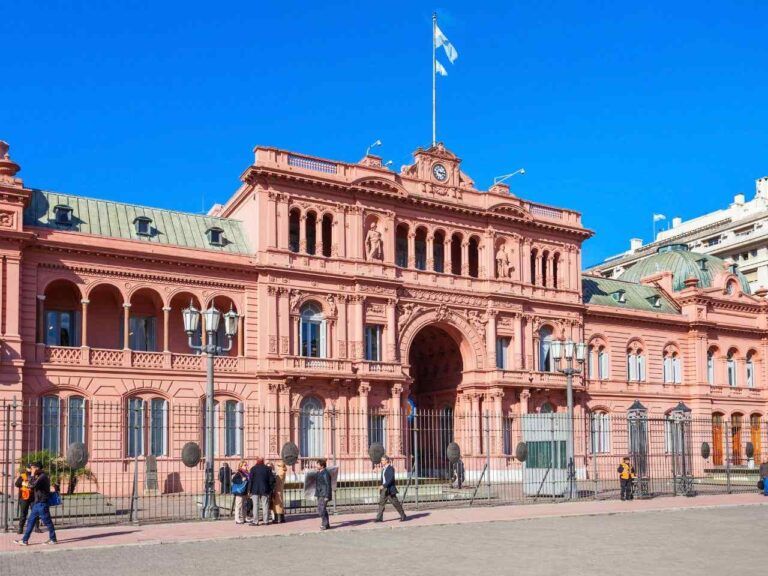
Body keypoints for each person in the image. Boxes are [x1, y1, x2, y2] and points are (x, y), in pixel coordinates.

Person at [15, 461, 57, 546]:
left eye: (33, 468)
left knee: (48, 522)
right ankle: (24, 540)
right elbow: (31, 484)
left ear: (37, 468)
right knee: (30, 521)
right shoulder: (39, 476)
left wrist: (33, 475)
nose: (31, 469)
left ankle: (53, 539)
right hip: (37, 504)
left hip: (42, 503)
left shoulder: (42, 477)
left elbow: (32, 485)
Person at [375, 455, 406, 522]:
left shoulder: (390, 468)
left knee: (395, 503)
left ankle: (403, 515)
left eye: (383, 460)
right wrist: (382, 486)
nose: (381, 461)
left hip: (389, 489)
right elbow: (383, 479)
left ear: (386, 461)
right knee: (381, 503)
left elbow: (390, 479)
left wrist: (384, 485)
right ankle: (379, 518)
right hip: (384, 489)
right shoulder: (383, 469)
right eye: (381, 460)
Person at [14, 465, 40, 536]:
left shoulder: (36, 476)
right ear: (27, 468)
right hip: (24, 497)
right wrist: (25, 483)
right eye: (29, 468)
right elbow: (17, 484)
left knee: (35, 512)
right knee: (23, 514)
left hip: (33, 497)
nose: (30, 469)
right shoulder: (23, 475)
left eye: (32, 468)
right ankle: (20, 528)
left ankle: (37, 528)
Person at [248, 457, 272, 526]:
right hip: (265, 489)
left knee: (255, 505)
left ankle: (255, 521)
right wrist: (270, 489)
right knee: (265, 505)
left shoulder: (253, 469)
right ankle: (266, 521)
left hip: (254, 489)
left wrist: (249, 490)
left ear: (257, 461)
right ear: (263, 461)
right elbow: (271, 480)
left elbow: (250, 480)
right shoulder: (267, 469)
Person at [314, 458, 332, 530]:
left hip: (324, 494)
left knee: (321, 509)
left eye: (317, 464)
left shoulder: (326, 473)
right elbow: (317, 484)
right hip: (320, 493)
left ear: (322, 466)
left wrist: (327, 496)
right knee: (322, 509)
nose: (316, 466)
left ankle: (324, 524)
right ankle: (326, 524)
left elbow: (328, 485)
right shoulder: (319, 472)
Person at [232, 460, 249, 525]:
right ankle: (237, 519)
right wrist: (241, 480)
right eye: (245, 465)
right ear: (241, 466)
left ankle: (244, 518)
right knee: (238, 505)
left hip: (245, 491)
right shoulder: (239, 472)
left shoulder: (247, 473)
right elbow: (234, 480)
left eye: (246, 465)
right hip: (239, 491)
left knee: (244, 505)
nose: (246, 466)